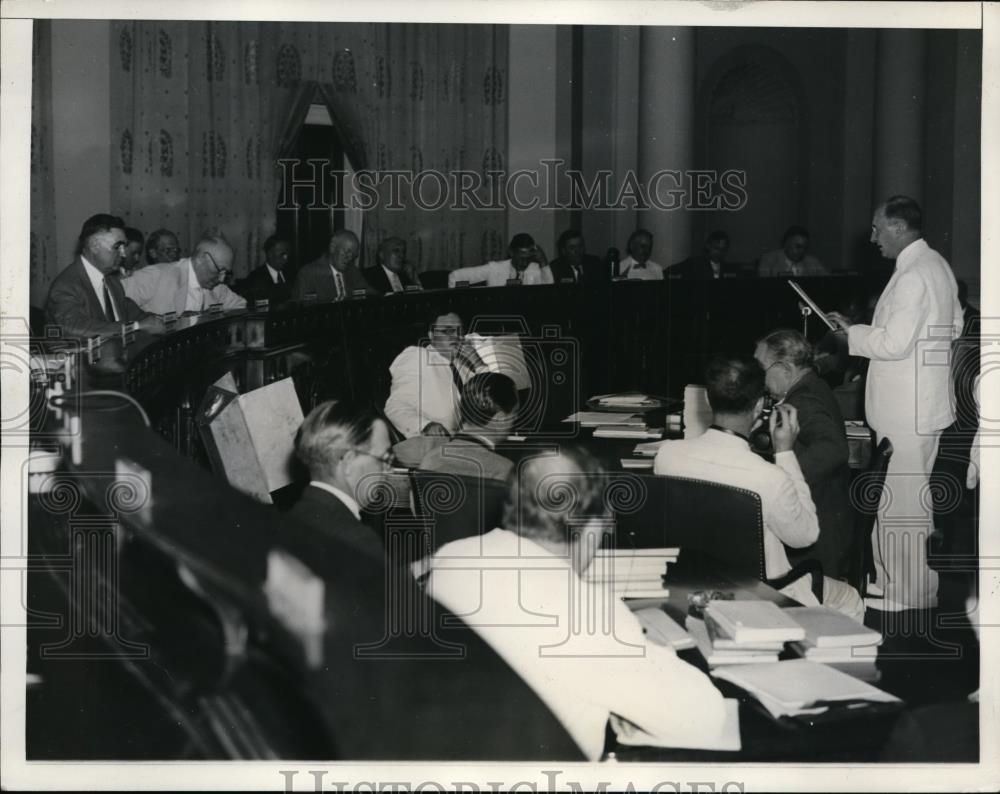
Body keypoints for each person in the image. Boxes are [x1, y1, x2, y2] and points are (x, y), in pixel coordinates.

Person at [426, 448, 731, 761]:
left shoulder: (451, 557)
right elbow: (704, 719)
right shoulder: (590, 613)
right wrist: (645, 650)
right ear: (592, 526)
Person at [828, 195, 964, 610]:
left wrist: (850, 336)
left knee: (901, 505)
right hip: (923, 404)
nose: (872, 238)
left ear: (899, 227)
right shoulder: (936, 265)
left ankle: (907, 595)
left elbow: (893, 342)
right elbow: (954, 325)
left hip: (906, 411)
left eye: (877, 228)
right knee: (903, 501)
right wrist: (862, 329)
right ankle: (895, 584)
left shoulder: (911, 276)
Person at [654, 356, 864, 620]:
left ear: (707, 400)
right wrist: (785, 453)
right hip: (764, 593)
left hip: (694, 586)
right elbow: (805, 536)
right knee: (850, 598)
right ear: (758, 407)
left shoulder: (667, 456)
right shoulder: (769, 477)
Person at [754, 329, 852, 579]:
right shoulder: (812, 385)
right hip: (830, 515)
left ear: (786, 369)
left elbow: (834, 449)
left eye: (761, 369)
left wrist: (782, 479)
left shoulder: (804, 400)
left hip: (818, 538)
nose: (758, 379)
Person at [284, 400, 393, 564]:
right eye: (384, 458)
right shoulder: (358, 541)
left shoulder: (290, 520)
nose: (389, 469)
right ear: (348, 463)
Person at [44, 213, 164, 339]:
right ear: (95, 246)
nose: (123, 254)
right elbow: (74, 328)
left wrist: (161, 320)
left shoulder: (111, 280)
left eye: (124, 247)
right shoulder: (66, 285)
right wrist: (136, 326)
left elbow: (136, 315)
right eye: (117, 247)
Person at [393, 372, 518, 481]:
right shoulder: (505, 471)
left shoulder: (429, 460)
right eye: (514, 413)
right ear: (500, 419)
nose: (516, 418)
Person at [384, 311, 485, 439]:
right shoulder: (418, 357)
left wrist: (477, 362)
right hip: (431, 445)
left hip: (466, 443)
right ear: (431, 335)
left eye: (459, 331)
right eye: (447, 331)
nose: (456, 336)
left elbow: (494, 400)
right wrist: (425, 426)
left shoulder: (462, 366)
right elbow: (395, 407)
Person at [122, 230, 247, 314]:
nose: (221, 279)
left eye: (226, 273)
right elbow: (115, 302)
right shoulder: (156, 275)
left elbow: (241, 306)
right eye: (219, 270)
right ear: (200, 260)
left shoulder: (218, 288)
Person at [292, 229, 376, 301]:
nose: (349, 258)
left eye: (353, 255)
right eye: (346, 252)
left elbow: (371, 294)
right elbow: (302, 309)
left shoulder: (352, 270)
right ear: (332, 247)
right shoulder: (308, 273)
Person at [447, 233, 554, 287]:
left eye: (528, 258)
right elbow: (455, 277)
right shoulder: (495, 268)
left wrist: (543, 263)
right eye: (521, 258)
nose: (524, 263)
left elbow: (550, 292)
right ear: (511, 253)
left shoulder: (535, 270)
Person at [238, 234, 293, 305]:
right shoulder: (255, 278)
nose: (286, 258)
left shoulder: (291, 273)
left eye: (287, 255)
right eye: (282, 254)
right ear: (270, 254)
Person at [757, 226, 828, 277]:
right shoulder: (769, 260)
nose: (802, 251)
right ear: (786, 243)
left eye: (805, 248)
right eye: (798, 246)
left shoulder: (813, 262)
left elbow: (828, 281)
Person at [670, 230, 737, 279]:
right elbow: (669, 272)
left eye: (723, 250)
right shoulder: (694, 263)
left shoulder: (728, 269)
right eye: (716, 248)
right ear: (708, 246)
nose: (719, 253)